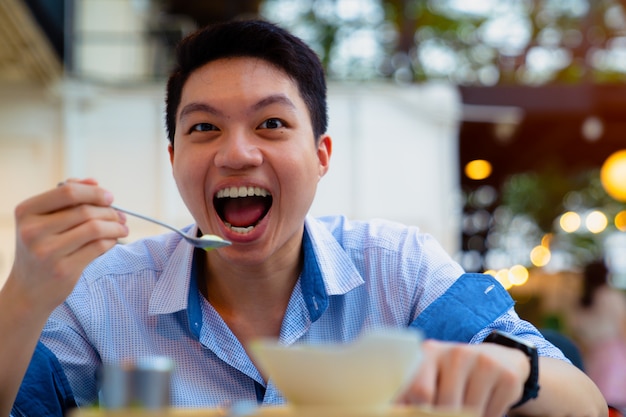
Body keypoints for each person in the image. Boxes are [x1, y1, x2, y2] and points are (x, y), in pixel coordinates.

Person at [0, 19, 606, 417]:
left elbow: (582, 403)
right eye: (204, 128)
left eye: (271, 124)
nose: (237, 152)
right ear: (174, 159)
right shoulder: (103, 293)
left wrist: (510, 369)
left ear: (320, 158)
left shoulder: (399, 268)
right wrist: (23, 296)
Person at [569, 260, 626, 409]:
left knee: (596, 400)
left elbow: (576, 330)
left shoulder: (580, 300)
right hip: (614, 354)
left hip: (591, 353)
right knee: (615, 403)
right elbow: (622, 326)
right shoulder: (611, 296)